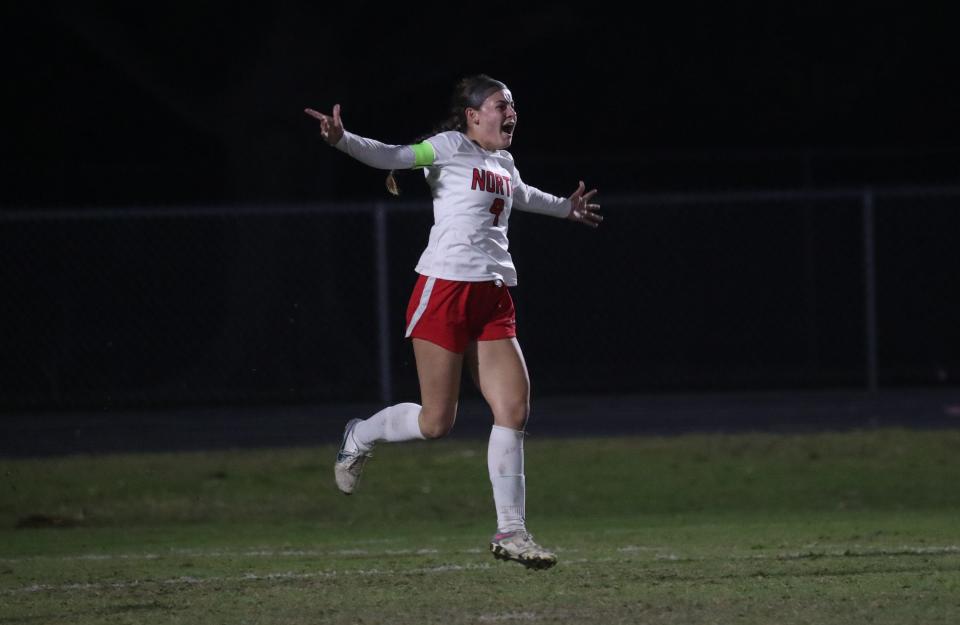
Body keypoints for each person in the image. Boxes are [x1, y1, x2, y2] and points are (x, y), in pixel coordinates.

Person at [304, 74, 601, 570]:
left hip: (494, 297)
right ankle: (360, 434)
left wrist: (566, 210)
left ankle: (512, 531)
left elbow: (522, 194)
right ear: (472, 115)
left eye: (513, 105)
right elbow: (394, 156)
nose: (511, 113)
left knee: (513, 408)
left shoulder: (502, 161)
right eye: (501, 104)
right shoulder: (447, 148)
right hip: (444, 291)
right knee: (436, 422)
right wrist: (343, 141)